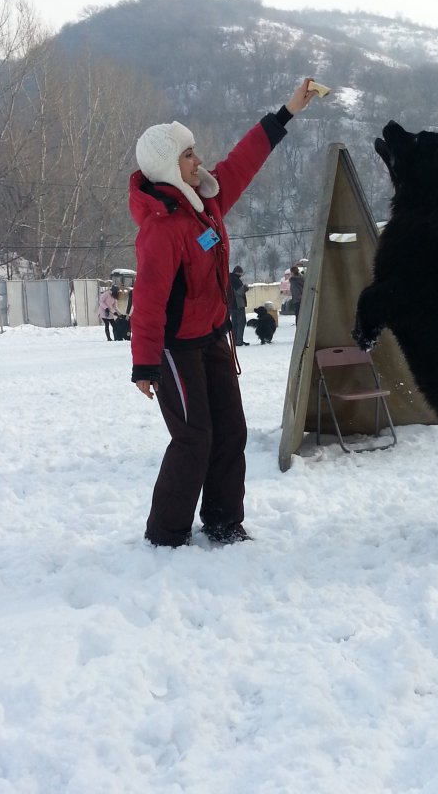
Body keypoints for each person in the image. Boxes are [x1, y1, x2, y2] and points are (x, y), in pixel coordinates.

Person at [129, 78, 317, 548]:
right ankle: (166, 532)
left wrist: (287, 112)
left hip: (212, 338)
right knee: (195, 438)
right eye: (188, 155)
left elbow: (243, 161)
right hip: (175, 349)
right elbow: (148, 302)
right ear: (169, 168)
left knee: (231, 432)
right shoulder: (161, 231)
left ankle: (223, 521)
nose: (199, 160)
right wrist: (145, 364)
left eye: (194, 152)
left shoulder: (206, 206)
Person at [228, 265, 249, 346]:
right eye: (241, 273)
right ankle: (239, 341)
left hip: (231, 304)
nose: (241, 275)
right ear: (238, 272)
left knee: (234, 323)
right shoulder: (235, 280)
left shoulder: (229, 279)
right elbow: (240, 292)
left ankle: (235, 340)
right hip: (238, 304)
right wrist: (245, 288)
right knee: (241, 322)